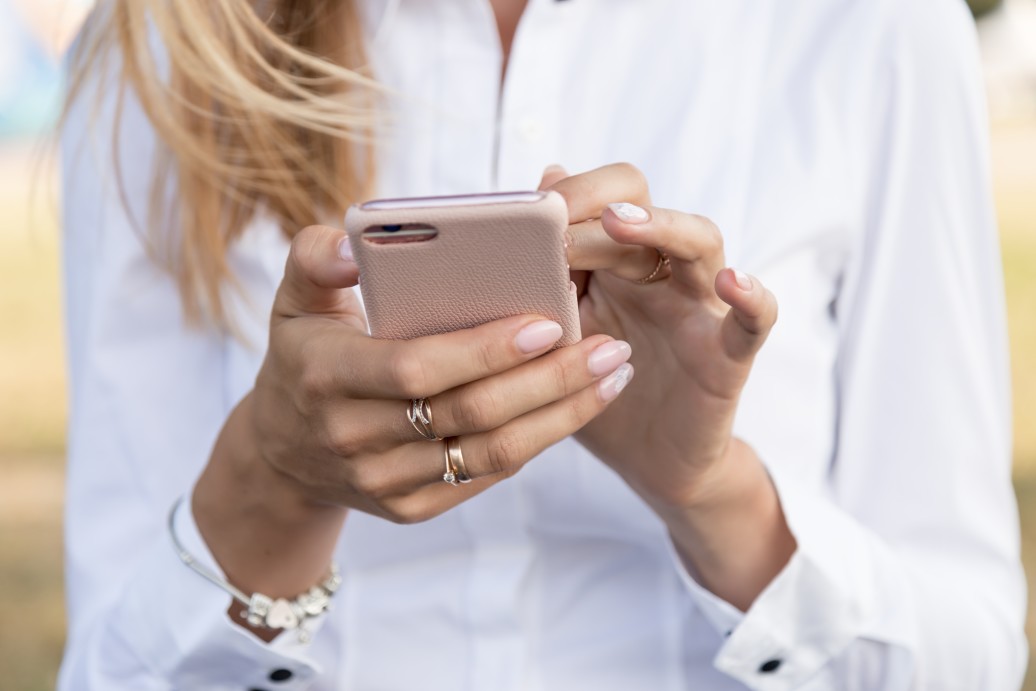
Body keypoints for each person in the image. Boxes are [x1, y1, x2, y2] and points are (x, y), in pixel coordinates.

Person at [58, 0, 1026, 688]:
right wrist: (276, 478)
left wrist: (710, 491)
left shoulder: (868, 25)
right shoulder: (166, 42)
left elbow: (974, 656)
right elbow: (111, 669)